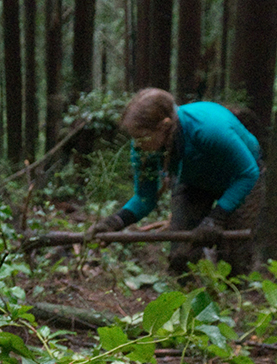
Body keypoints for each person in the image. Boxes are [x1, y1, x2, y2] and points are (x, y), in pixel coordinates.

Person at [96, 87, 263, 273]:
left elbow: (248, 173)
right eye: (134, 138)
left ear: (164, 126)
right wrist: (115, 222)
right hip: (194, 181)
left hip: (239, 178)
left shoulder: (207, 129)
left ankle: (234, 297)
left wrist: (216, 218)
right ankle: (185, 295)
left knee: (235, 260)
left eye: (141, 137)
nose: (136, 145)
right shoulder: (145, 150)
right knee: (180, 257)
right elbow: (145, 198)